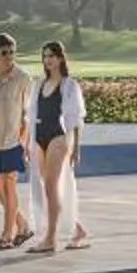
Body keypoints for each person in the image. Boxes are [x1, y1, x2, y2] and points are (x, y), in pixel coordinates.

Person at [0, 33, 33, 250]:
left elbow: (28, 115)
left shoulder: (23, 79)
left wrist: (24, 143)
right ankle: (22, 225)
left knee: (10, 184)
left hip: (12, 141)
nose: (9, 56)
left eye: (12, 52)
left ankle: (7, 235)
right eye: (4, 53)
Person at [33, 39, 89, 253]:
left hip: (58, 136)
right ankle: (78, 229)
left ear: (60, 58)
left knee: (51, 186)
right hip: (39, 137)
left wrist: (76, 148)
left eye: (52, 56)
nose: (48, 60)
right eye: (45, 56)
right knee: (49, 190)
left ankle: (51, 238)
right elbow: (30, 115)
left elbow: (75, 119)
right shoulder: (39, 84)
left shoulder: (69, 86)